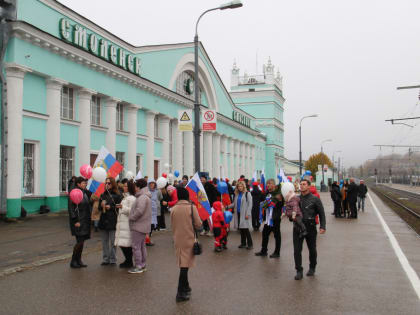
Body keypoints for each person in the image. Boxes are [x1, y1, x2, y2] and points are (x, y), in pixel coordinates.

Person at [170, 187, 202, 302]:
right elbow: (198, 224)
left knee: (183, 264)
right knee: (184, 266)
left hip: (178, 239)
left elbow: (172, 225)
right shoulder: (191, 208)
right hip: (189, 239)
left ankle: (186, 287)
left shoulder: (173, 209)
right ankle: (180, 292)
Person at [293, 179, 326, 280]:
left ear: (308, 186)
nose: (302, 186)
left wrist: (322, 226)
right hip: (298, 227)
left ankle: (312, 267)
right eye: (301, 184)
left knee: (312, 249)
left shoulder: (315, 199)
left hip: (310, 227)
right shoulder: (296, 199)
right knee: (297, 250)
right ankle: (299, 270)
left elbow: (321, 213)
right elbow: (291, 211)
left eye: (304, 184)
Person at [128, 178, 152, 274]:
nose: (135, 188)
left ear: (138, 187)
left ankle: (138, 265)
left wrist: (131, 217)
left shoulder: (142, 197)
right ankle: (142, 264)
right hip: (143, 225)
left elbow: (139, 211)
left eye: (136, 187)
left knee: (136, 247)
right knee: (141, 246)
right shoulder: (145, 196)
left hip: (138, 226)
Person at [98, 177, 123, 266]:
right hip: (104, 220)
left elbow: (120, 207)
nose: (107, 185)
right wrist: (102, 206)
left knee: (113, 242)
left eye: (109, 183)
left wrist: (111, 207)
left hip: (113, 220)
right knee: (104, 242)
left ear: (113, 184)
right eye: (106, 183)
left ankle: (113, 259)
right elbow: (99, 208)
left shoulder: (118, 195)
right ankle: (105, 259)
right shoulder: (102, 195)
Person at [255, 179, 282, 258]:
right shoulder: (267, 193)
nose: (268, 185)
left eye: (269, 183)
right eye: (267, 184)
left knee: (277, 236)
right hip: (268, 219)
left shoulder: (278, 194)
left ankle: (277, 252)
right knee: (265, 234)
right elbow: (263, 203)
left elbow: (280, 204)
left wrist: (279, 201)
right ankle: (264, 251)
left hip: (275, 218)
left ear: (274, 185)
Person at [68, 177, 91, 268]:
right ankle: (73, 261)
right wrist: (75, 220)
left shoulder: (84, 192)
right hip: (78, 221)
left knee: (82, 241)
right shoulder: (74, 193)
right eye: (83, 183)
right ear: (78, 184)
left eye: (85, 183)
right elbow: (71, 209)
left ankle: (79, 260)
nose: (85, 184)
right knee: (79, 241)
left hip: (85, 220)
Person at [114, 179, 136, 268]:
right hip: (122, 223)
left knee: (127, 245)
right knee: (123, 244)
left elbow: (133, 212)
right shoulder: (125, 197)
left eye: (126, 186)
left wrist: (123, 207)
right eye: (124, 186)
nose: (124, 187)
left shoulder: (132, 198)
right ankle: (127, 260)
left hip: (127, 224)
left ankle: (129, 261)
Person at [227, 181, 253, 249]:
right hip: (238, 214)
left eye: (241, 186)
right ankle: (243, 243)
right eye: (238, 186)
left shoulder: (248, 194)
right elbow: (234, 204)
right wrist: (227, 207)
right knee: (241, 229)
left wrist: (247, 214)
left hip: (245, 214)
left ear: (243, 187)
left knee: (246, 229)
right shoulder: (237, 195)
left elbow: (250, 205)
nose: (240, 188)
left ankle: (250, 244)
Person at [147, 179, 162, 246]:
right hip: (147, 211)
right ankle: (147, 240)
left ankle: (148, 239)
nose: (152, 185)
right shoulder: (147, 191)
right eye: (150, 183)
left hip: (155, 212)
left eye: (153, 183)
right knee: (148, 226)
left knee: (152, 226)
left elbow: (159, 199)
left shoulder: (157, 191)